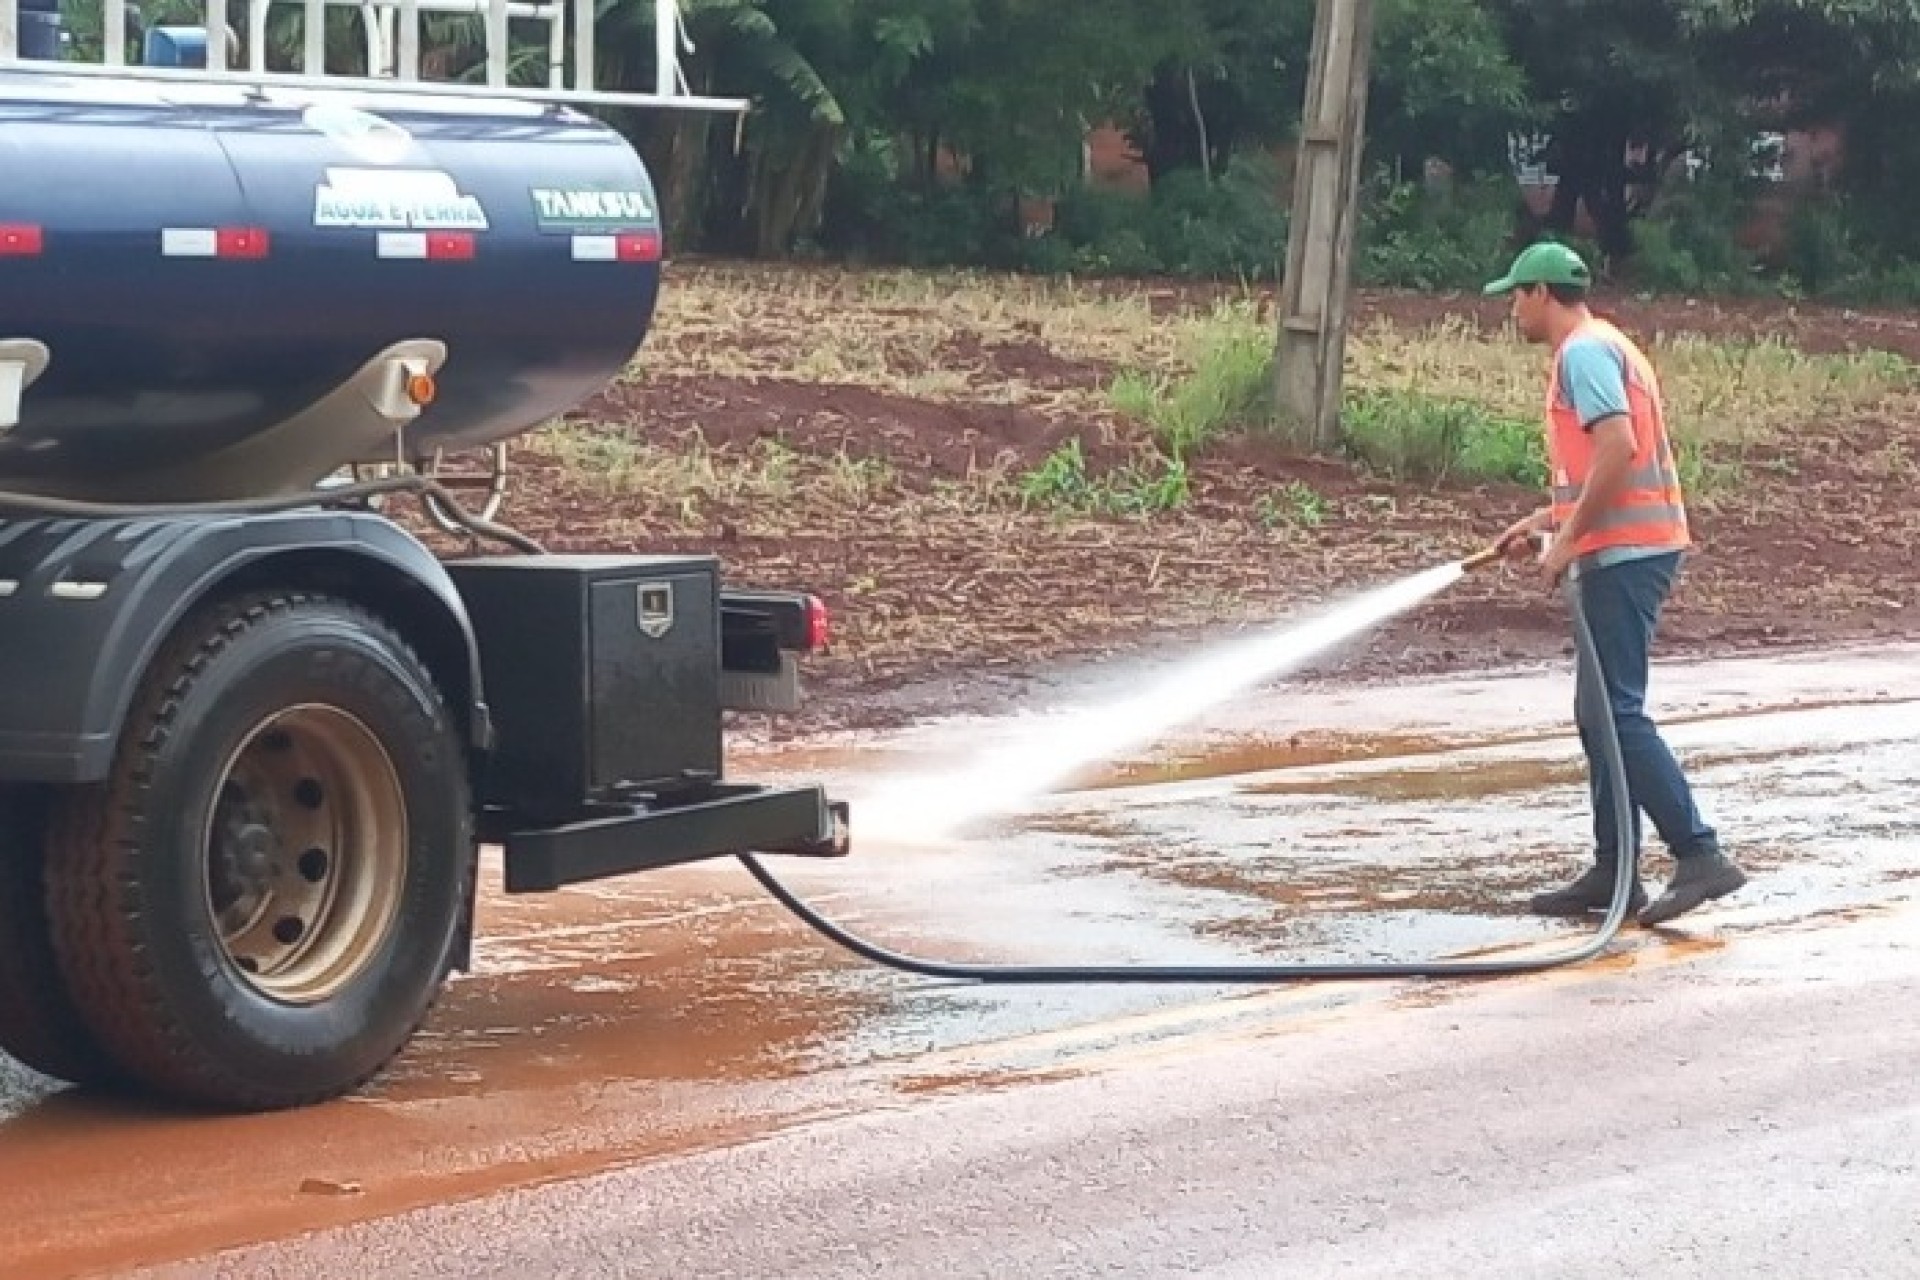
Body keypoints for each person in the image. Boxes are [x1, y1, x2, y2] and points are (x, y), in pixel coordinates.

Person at [1481, 241, 1748, 927]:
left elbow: (1619, 449)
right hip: (1626, 548)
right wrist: (1544, 522)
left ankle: (1698, 852)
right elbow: (1599, 469)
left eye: (1516, 294)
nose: (1513, 308)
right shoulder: (1602, 346)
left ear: (1542, 293)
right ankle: (1616, 869)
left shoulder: (1584, 354)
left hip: (1626, 556)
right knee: (1598, 714)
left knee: (1617, 713)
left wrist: (1567, 542)